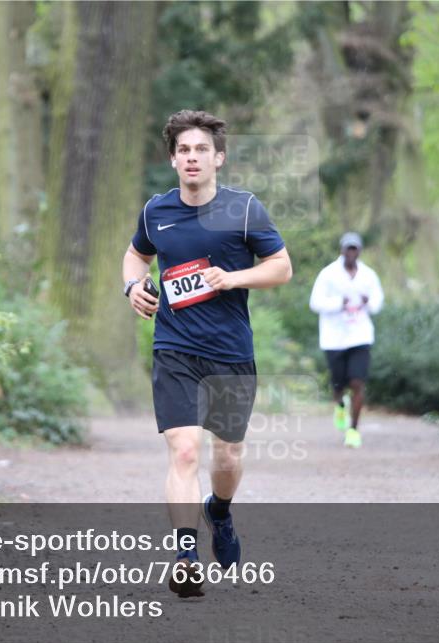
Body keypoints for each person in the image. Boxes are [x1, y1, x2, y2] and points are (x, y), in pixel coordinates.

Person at [121, 110, 292, 598]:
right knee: (185, 450)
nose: (192, 158)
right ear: (173, 160)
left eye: (201, 150)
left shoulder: (244, 211)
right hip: (175, 348)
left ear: (218, 158)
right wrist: (133, 285)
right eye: (183, 151)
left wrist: (233, 278)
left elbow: (281, 268)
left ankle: (219, 509)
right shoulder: (156, 211)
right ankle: (185, 555)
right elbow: (136, 254)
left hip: (231, 352)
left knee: (228, 454)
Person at [309, 232, 384, 448]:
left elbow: (378, 302)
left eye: (355, 249)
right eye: (348, 249)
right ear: (342, 250)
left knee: (358, 382)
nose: (351, 252)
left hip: (360, 335)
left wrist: (368, 301)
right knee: (338, 383)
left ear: (359, 251)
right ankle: (340, 405)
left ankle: (353, 430)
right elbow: (315, 302)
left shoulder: (368, 275)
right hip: (334, 337)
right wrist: (338, 302)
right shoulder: (328, 274)